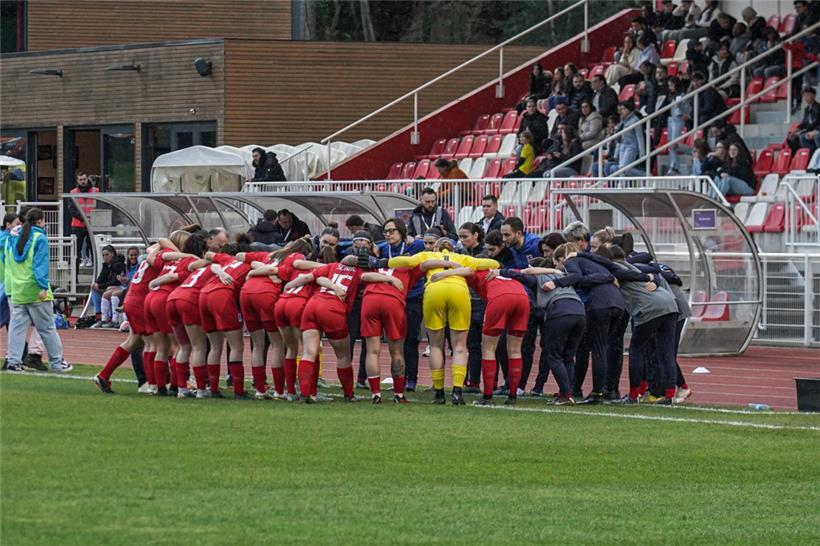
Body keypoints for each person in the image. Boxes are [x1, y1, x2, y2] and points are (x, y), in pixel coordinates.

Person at [385, 239, 499, 405]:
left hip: (434, 290)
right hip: (459, 291)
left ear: (436, 247)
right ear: (453, 248)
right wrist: (455, 264)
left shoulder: (427, 254)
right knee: (460, 346)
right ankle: (457, 392)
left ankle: (439, 393)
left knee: (436, 345)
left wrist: (384, 261)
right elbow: (493, 263)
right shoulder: (462, 258)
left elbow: (403, 262)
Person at [286, 233, 394, 403]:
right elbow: (366, 277)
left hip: (312, 305)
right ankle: (348, 394)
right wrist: (390, 279)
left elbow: (308, 277)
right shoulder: (361, 270)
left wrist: (289, 286)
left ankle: (306, 393)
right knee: (343, 355)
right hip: (332, 308)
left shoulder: (332, 266)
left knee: (309, 352)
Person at [432, 262, 532, 406]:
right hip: (522, 298)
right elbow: (530, 271)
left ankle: (487, 396)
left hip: (500, 298)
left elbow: (465, 269)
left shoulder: (477, 270)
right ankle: (512, 396)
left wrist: (442, 274)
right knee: (515, 350)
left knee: (488, 349)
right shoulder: (505, 270)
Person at [2, 208, 70, 373]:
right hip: (34, 290)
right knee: (47, 328)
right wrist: (42, 286)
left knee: (17, 329)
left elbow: (8, 262)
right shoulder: (39, 237)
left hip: (17, 290)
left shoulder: (11, 237)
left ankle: (13, 361)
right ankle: (57, 362)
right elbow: (40, 264)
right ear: (40, 221)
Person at [145, 231, 209, 398]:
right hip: (166, 298)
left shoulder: (169, 257)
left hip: (150, 298)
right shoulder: (193, 261)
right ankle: (176, 386)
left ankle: (158, 387)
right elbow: (176, 275)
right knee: (179, 346)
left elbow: (150, 256)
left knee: (161, 346)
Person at [377, 218, 425, 391]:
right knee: (395, 340)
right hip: (392, 298)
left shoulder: (416, 246)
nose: (388, 234)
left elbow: (428, 246)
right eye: (386, 231)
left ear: (402, 232)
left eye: (392, 231)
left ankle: (412, 379)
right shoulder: (382, 248)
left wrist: (414, 239)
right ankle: (399, 379)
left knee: (411, 339)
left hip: (412, 297)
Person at [457, 222, 486, 393]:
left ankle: (476, 382)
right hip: (464, 300)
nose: (461, 240)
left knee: (478, 345)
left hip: (480, 302)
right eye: (460, 237)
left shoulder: (485, 253)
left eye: (465, 236)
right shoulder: (460, 253)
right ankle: (467, 381)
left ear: (476, 235)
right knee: (467, 344)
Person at [1, 213, 21, 364]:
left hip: (6, 284)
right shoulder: (7, 239)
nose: (19, 227)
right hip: (5, 284)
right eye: (16, 224)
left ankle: (16, 354)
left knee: (12, 321)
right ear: (8, 225)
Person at [68, 171, 99, 268]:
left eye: (84, 179)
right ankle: (74, 278)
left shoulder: (96, 191)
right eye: (80, 180)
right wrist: (84, 218)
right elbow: (71, 209)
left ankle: (97, 278)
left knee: (95, 252)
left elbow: (100, 207)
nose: (83, 181)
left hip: (93, 225)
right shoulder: (73, 193)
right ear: (77, 180)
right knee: (75, 253)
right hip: (78, 225)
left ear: (87, 179)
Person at [90, 245, 126, 327]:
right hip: (112, 287)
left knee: (108, 289)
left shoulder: (118, 265)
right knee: (94, 289)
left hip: (120, 287)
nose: (105, 257)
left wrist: (100, 286)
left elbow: (115, 282)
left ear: (112, 254)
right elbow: (101, 278)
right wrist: (96, 283)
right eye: (103, 255)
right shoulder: (106, 265)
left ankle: (113, 319)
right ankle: (100, 316)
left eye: (107, 255)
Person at [666, 77, 687, 174]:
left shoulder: (682, 95)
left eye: (671, 85)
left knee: (673, 144)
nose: (670, 87)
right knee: (670, 143)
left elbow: (685, 109)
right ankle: (673, 164)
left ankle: (675, 166)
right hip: (671, 119)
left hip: (678, 119)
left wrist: (680, 105)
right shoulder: (672, 96)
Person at [789, 87, 820, 153]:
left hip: (816, 130)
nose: (806, 97)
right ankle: (800, 158)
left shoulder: (818, 107)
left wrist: (813, 131)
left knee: (804, 136)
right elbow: (804, 123)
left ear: (813, 95)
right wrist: (797, 129)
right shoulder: (807, 109)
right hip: (810, 130)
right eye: (804, 95)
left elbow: (816, 123)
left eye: (808, 95)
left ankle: (814, 156)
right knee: (793, 137)